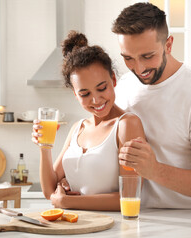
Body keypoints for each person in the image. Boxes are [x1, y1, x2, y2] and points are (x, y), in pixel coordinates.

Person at [112, 2, 191, 208]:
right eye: (128, 58)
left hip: (187, 226)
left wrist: (155, 170)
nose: (138, 68)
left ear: (168, 45)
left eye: (148, 56)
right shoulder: (123, 86)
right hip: (133, 219)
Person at [31, 31, 145, 210]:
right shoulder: (78, 128)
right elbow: (49, 191)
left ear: (113, 80)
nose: (96, 100)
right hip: (74, 227)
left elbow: (130, 196)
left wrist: (68, 202)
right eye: (85, 94)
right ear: (75, 94)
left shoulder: (126, 125)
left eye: (102, 88)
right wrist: (45, 147)